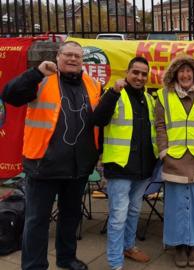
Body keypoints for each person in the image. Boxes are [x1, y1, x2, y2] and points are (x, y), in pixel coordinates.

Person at [1, 41, 101, 270]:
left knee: (70, 217)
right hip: (43, 165)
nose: (73, 59)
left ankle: (67, 258)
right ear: (58, 56)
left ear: (82, 60)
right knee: (37, 220)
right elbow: (9, 95)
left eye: (77, 55)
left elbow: (99, 122)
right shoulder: (41, 79)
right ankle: (34, 265)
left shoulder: (93, 84)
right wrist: (35, 73)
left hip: (78, 166)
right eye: (68, 54)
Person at [92, 56, 158, 270]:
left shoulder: (149, 99)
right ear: (128, 73)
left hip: (142, 169)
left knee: (133, 211)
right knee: (118, 217)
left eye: (143, 74)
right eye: (135, 72)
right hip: (120, 167)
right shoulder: (115, 94)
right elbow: (99, 120)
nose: (139, 77)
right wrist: (112, 93)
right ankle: (115, 262)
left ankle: (129, 246)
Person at [156, 56, 194, 267]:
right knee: (175, 205)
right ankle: (179, 246)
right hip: (174, 160)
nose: (185, 75)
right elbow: (160, 126)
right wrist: (164, 152)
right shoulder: (163, 96)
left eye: (189, 71)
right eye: (181, 71)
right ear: (174, 74)